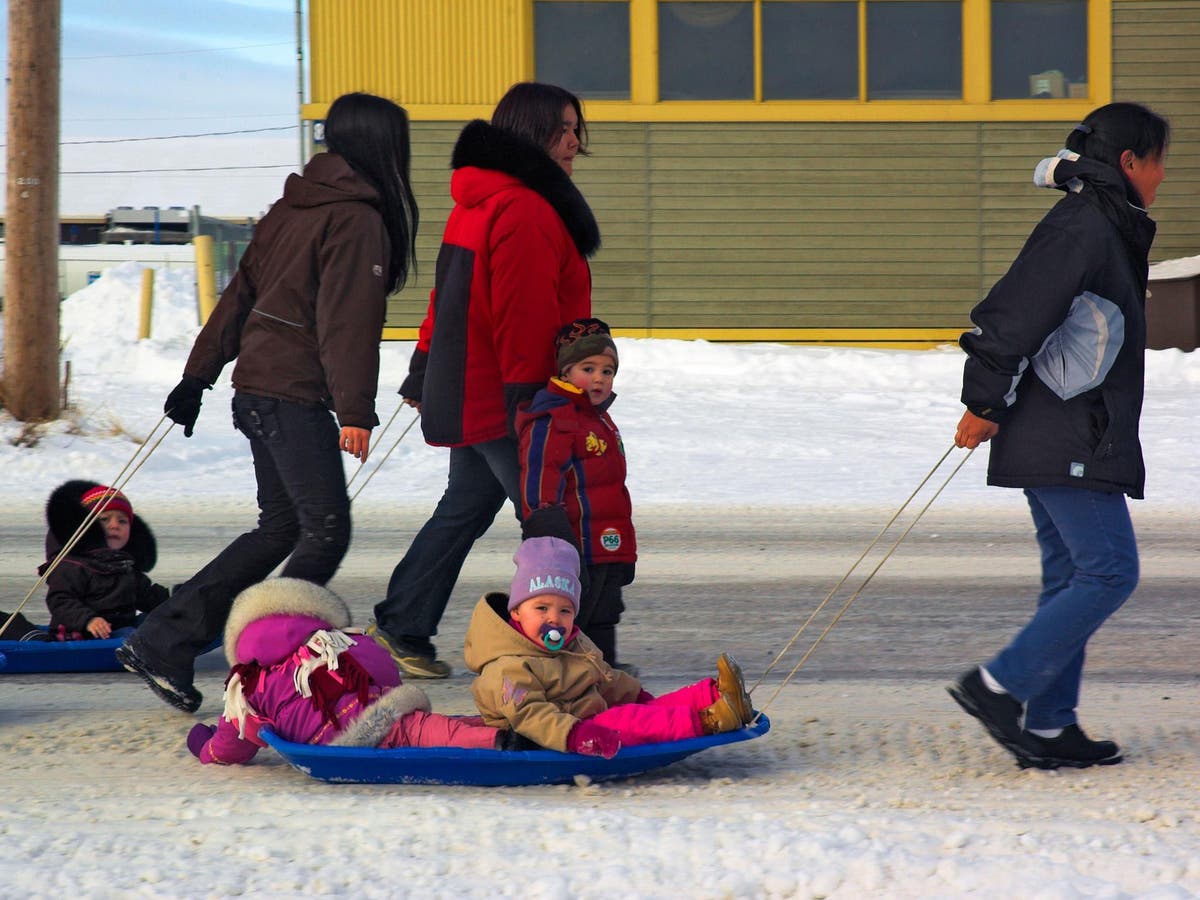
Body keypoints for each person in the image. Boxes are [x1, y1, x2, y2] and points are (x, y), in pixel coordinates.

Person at [118, 91, 420, 713]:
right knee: (325, 530)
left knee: (281, 528)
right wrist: (356, 411)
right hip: (290, 394)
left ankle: (165, 636)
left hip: (258, 389)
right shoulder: (356, 218)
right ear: (383, 146)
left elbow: (237, 296)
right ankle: (271, 662)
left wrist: (198, 376)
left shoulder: (294, 206)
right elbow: (348, 323)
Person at [947, 102, 1169, 770]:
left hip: (1060, 427)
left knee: (1074, 573)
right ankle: (1000, 686)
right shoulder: (1086, 226)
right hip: (1068, 430)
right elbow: (1013, 313)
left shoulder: (1104, 223)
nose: (1163, 174)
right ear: (1129, 162)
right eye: (1159, 160)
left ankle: (1047, 724)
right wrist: (984, 399)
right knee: (1109, 570)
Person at [370, 81, 600, 679]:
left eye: (578, 128)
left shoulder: (480, 199)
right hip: (506, 395)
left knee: (466, 505)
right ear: (531, 131)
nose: (575, 140)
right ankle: (566, 650)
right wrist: (532, 404)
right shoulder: (523, 206)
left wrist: (423, 364)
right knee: (551, 516)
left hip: (474, 387)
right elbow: (522, 316)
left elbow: (445, 299)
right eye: (564, 128)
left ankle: (400, 627)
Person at [462, 536, 755, 758]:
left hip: (589, 719)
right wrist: (576, 734)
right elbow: (529, 715)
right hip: (553, 737)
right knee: (627, 720)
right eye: (541, 607)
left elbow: (604, 677)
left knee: (646, 709)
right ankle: (711, 719)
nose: (554, 618)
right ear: (516, 612)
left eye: (564, 610)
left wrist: (636, 695)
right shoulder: (507, 666)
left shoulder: (573, 643)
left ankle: (718, 694)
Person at [185, 578, 507, 764]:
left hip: (325, 745)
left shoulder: (247, 684)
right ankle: (502, 738)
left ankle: (499, 733)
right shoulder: (332, 642)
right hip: (365, 723)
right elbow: (384, 670)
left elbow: (232, 744)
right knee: (422, 728)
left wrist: (204, 744)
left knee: (422, 730)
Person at [516, 317, 636, 671]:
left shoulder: (597, 418)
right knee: (575, 614)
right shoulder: (555, 418)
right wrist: (549, 533)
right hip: (576, 545)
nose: (600, 378)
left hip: (607, 543)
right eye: (589, 368)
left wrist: (624, 551)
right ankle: (574, 678)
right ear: (566, 372)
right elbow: (539, 479)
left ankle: (606, 671)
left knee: (606, 611)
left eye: (608, 371)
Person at [39, 481, 168, 641]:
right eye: (104, 519)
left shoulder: (124, 565)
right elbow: (60, 600)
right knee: (134, 634)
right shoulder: (73, 565)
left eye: (122, 521)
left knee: (156, 621)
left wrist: (180, 601)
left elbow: (147, 597)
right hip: (82, 634)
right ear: (86, 526)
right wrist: (88, 620)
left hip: (120, 631)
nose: (115, 525)